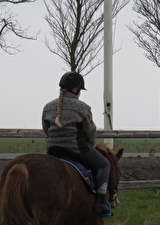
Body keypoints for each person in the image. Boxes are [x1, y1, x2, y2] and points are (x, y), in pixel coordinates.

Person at [42, 72, 111, 217]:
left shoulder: (48, 107)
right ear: (76, 89)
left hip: (53, 150)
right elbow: (90, 132)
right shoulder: (82, 107)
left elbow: (46, 130)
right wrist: (90, 146)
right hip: (76, 149)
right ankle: (100, 202)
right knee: (104, 164)